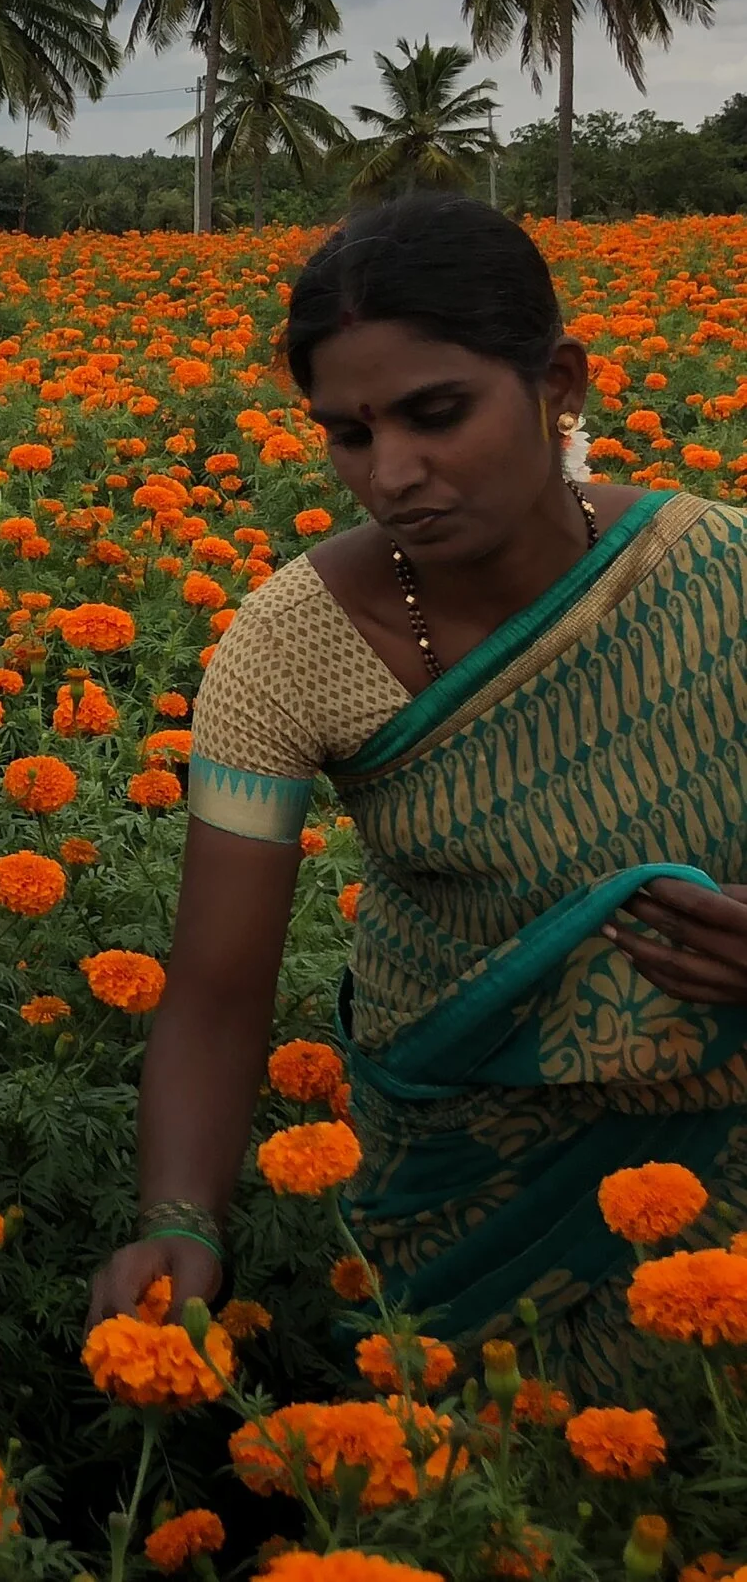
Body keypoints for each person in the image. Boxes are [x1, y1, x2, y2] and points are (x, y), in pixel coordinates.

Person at [90, 193, 747, 1392]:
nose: (392, 473)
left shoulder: (719, 578)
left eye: (436, 414)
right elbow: (217, 992)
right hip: (463, 1187)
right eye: (347, 432)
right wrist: (180, 1221)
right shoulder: (290, 648)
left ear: (558, 382)